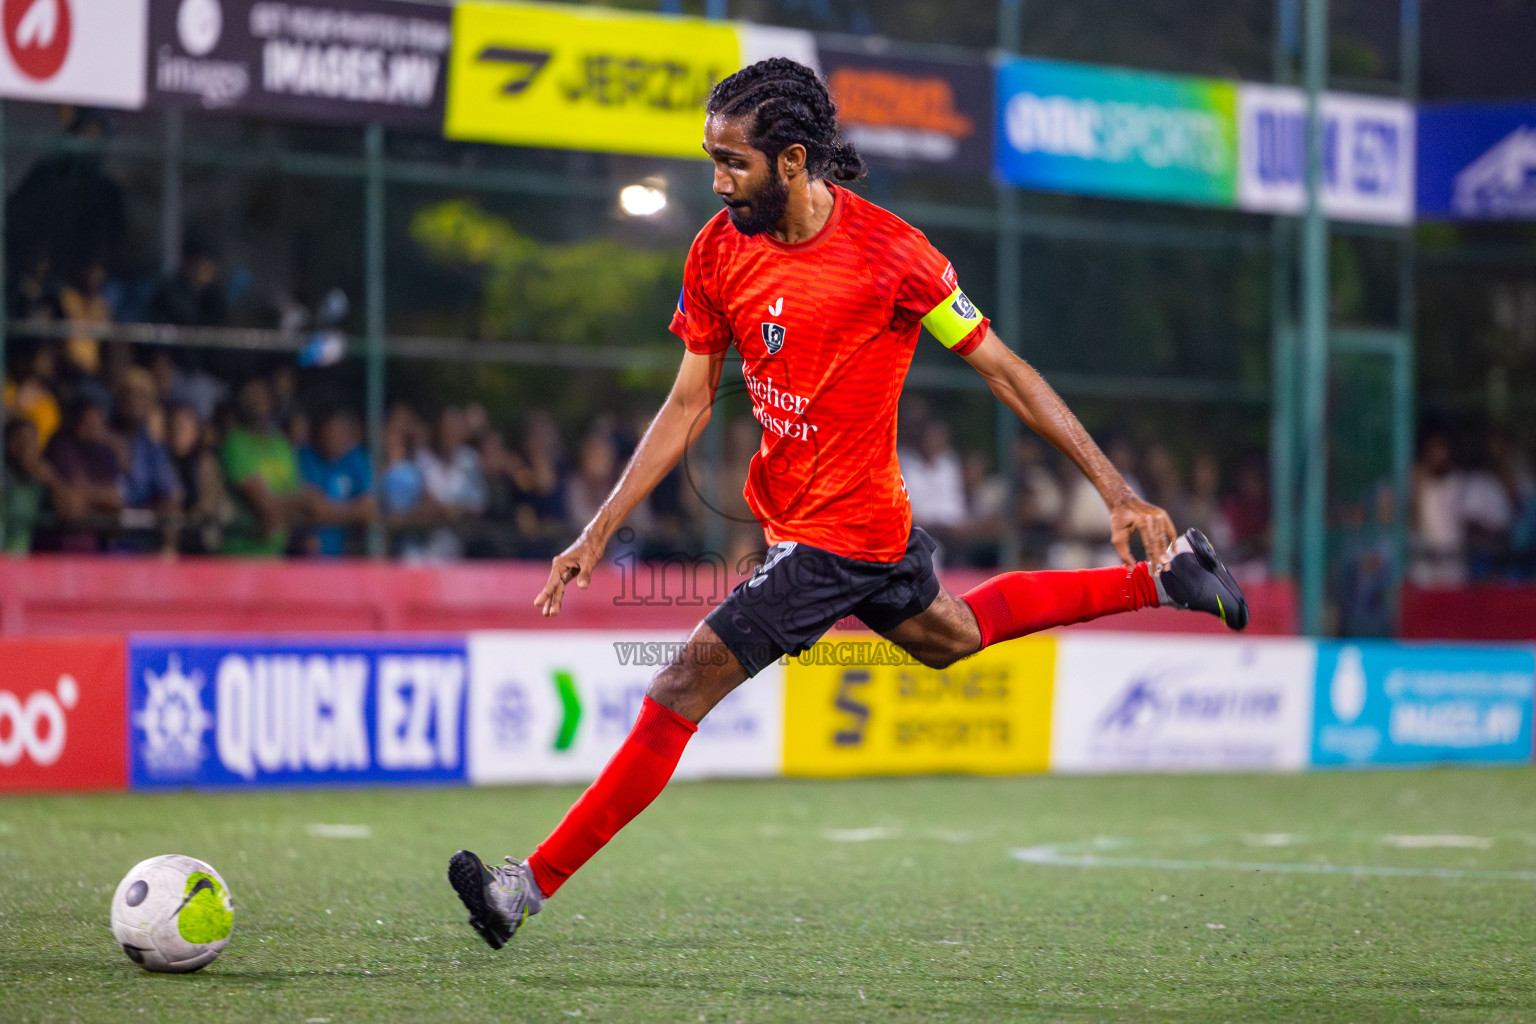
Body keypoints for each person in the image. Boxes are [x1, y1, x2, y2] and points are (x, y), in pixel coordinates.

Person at [446, 58, 1249, 950]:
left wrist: (1116, 487)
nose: (716, 179)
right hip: (856, 523)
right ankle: (1166, 582)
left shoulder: (895, 257)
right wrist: (597, 532)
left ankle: (526, 888)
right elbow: (685, 404)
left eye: (733, 161)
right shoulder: (717, 248)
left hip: (840, 538)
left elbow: (1005, 372)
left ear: (792, 160)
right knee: (953, 636)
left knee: (680, 683)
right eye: (710, 157)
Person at [220, 375, 306, 556]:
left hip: (276, 556)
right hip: (240, 555)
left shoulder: (282, 444)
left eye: (261, 396)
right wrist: (300, 504)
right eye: (250, 397)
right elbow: (265, 504)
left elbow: (297, 500)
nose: (256, 402)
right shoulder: (234, 443)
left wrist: (299, 505)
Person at [297, 408, 374, 557]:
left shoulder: (356, 458)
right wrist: (352, 510)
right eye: (329, 431)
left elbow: (368, 508)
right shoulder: (305, 457)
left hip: (346, 557)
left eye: (339, 431)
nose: (334, 436)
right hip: (307, 558)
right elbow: (313, 506)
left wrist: (327, 512)